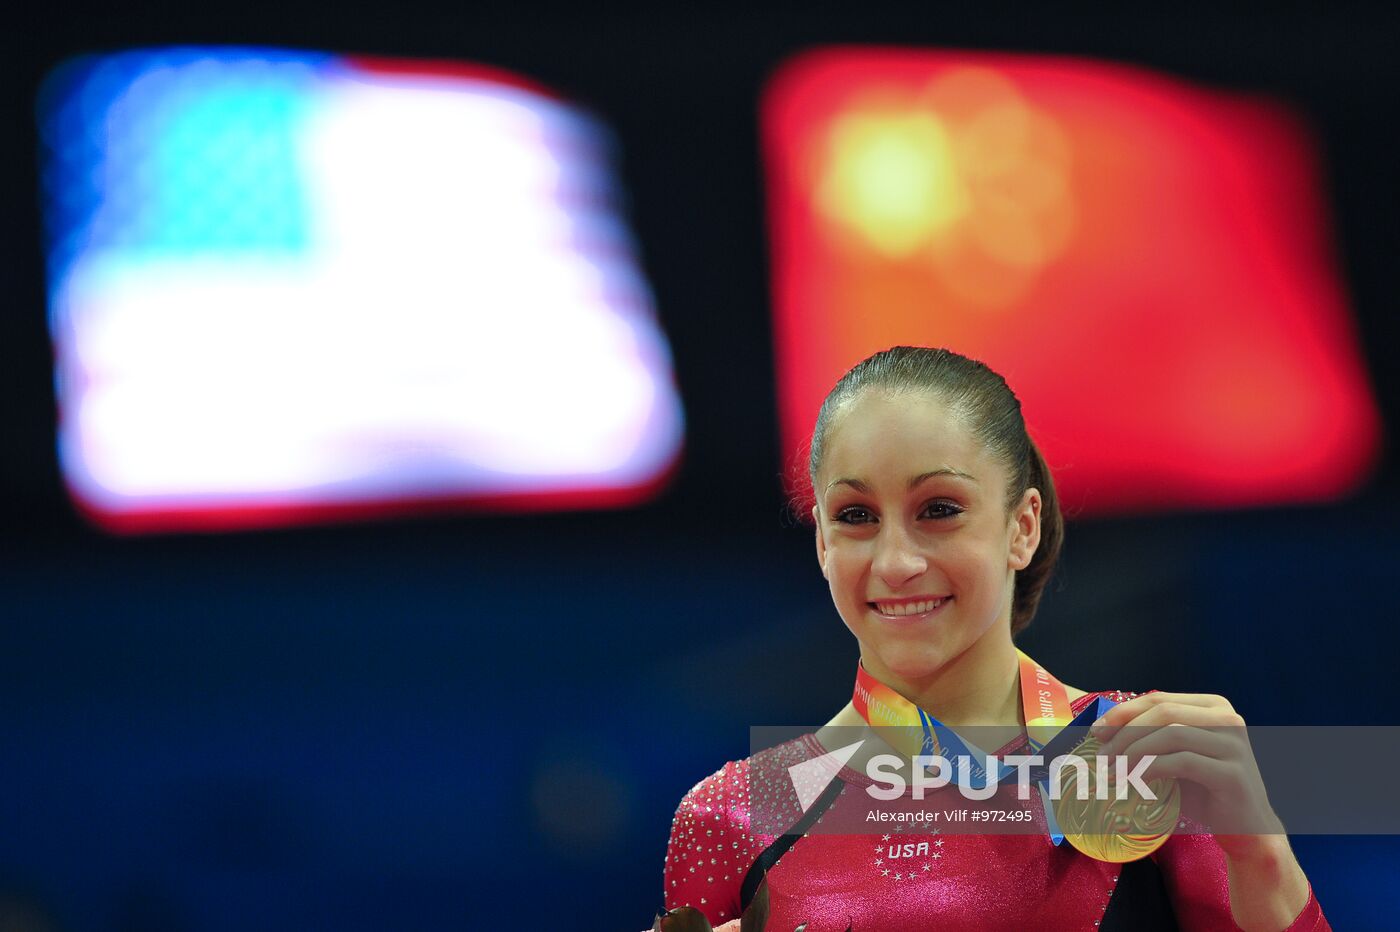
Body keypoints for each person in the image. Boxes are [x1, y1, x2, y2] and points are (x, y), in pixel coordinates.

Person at [660, 346, 1328, 931]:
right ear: (823, 546)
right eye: (856, 515)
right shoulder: (737, 814)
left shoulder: (1144, 755)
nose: (895, 562)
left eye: (939, 510)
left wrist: (1262, 852)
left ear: (1022, 527)